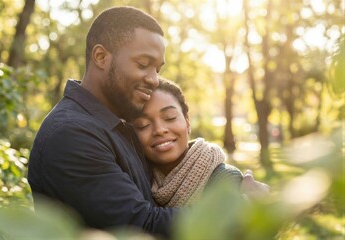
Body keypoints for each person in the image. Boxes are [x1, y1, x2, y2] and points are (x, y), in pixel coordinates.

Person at [27, 6, 268, 239]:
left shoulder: (117, 125)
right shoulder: (71, 133)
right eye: (143, 64)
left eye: (157, 69)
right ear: (101, 56)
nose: (153, 80)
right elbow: (141, 225)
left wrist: (226, 177)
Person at [132, 77, 245, 207]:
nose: (159, 130)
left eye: (170, 117)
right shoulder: (134, 183)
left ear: (187, 121)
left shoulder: (225, 179)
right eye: (143, 124)